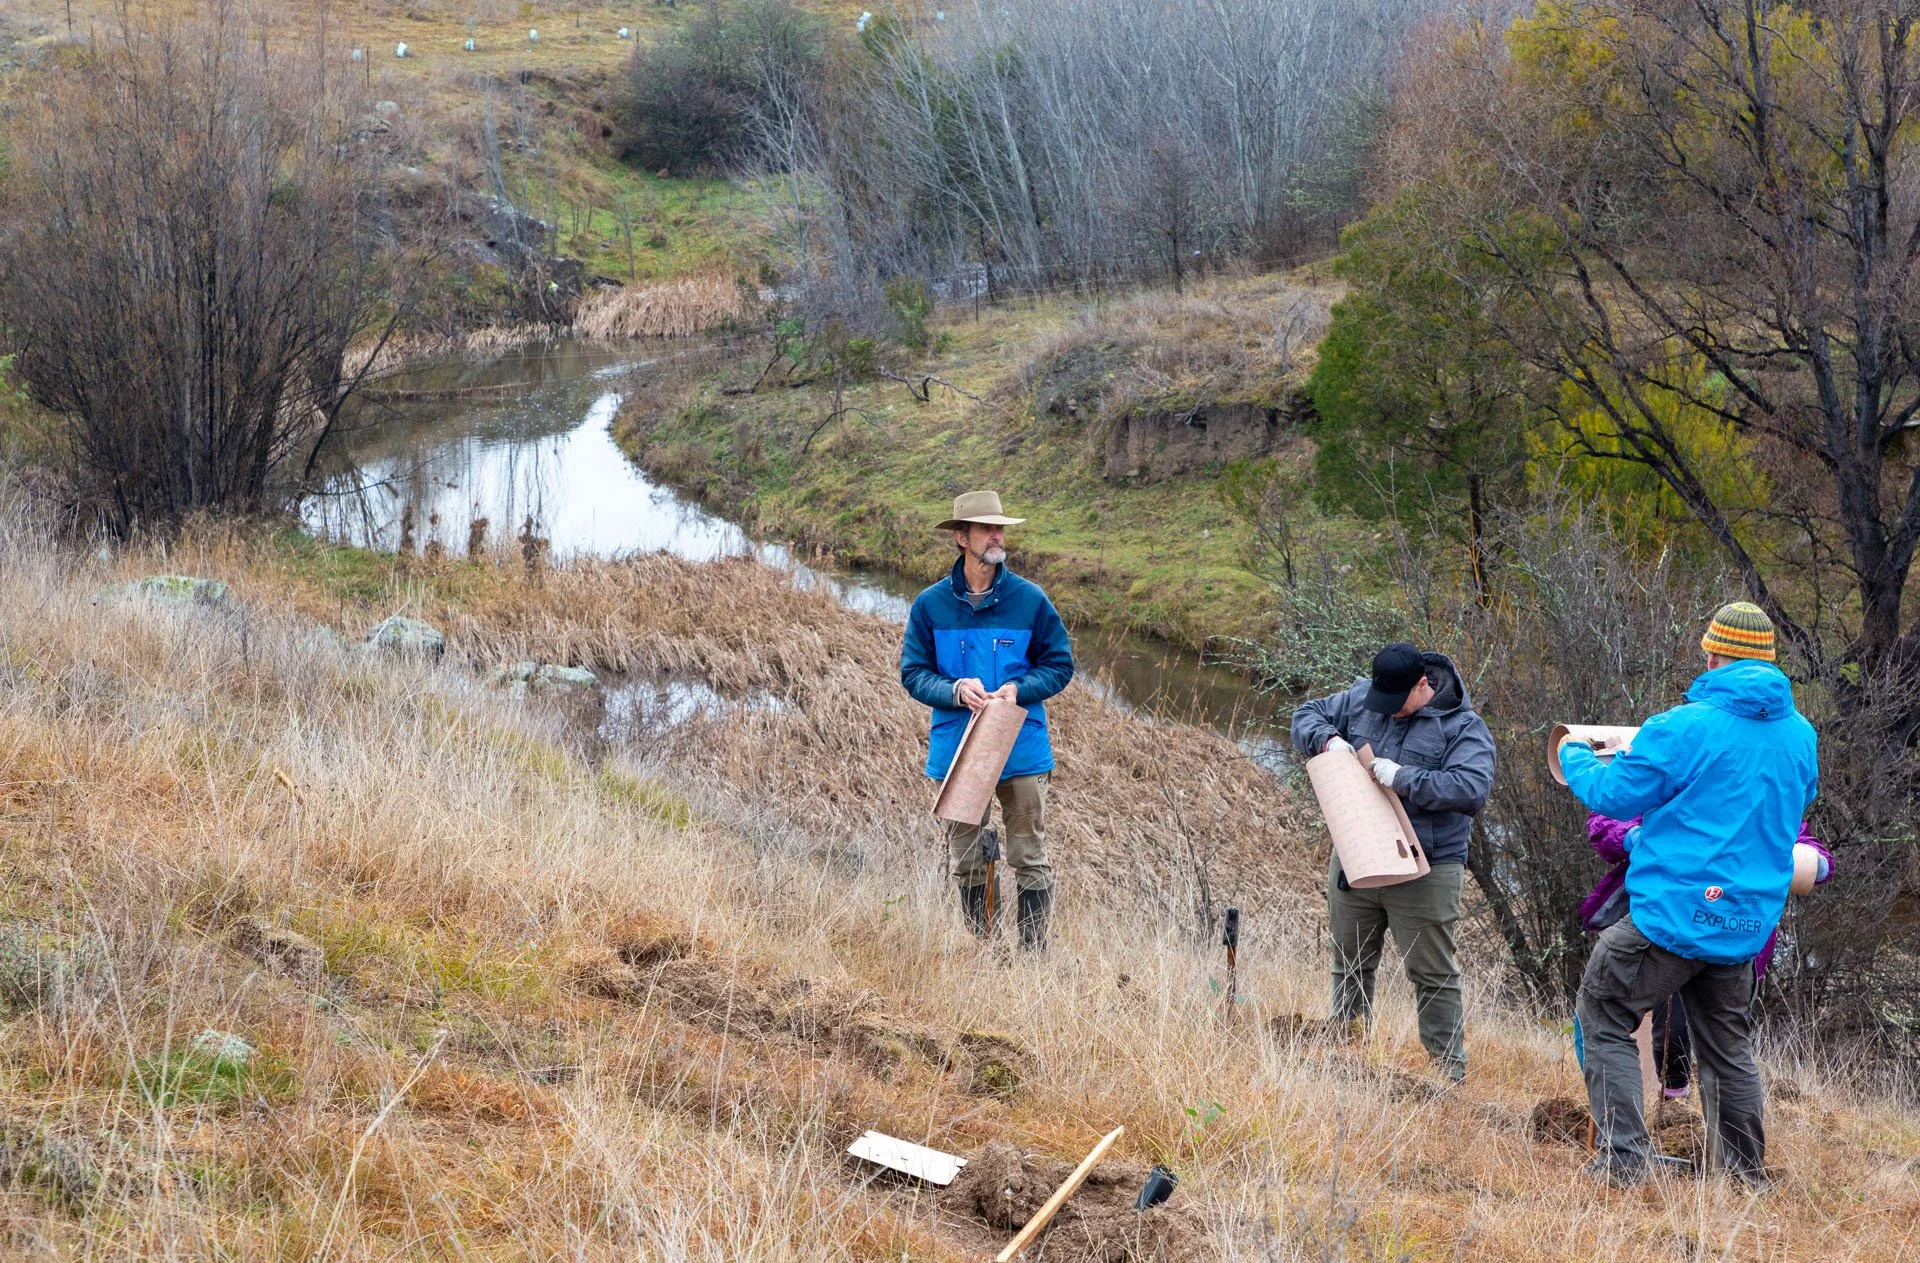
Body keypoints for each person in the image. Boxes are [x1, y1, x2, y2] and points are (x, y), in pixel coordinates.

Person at [1560, 601, 1818, 1188]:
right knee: (1728, 1046)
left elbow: (1613, 795)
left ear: (1713, 654)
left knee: (1603, 1014)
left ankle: (1624, 1162)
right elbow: (1791, 804)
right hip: (1747, 925)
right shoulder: (1801, 736)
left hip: (1672, 916)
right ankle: (1745, 1175)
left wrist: (1575, 755)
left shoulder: (1682, 726)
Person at [1291, 642, 1496, 1083]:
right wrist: (1329, 742)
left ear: (1424, 684)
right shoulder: (1365, 697)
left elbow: (1471, 790)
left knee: (1432, 973)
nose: (1387, 711)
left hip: (1427, 868)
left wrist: (1403, 777)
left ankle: (1448, 1076)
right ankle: (1347, 1054)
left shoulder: (1463, 727)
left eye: (1397, 703)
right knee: (1349, 960)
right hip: (1357, 853)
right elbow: (1306, 714)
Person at [900, 491, 1074, 950]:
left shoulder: (1031, 600)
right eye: (986, 529)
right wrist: (954, 690)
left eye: (1000, 528)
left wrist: (1021, 689)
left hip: (1022, 748)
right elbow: (913, 674)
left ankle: (1032, 962)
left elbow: (1060, 666)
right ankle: (984, 953)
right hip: (958, 749)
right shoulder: (929, 605)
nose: (997, 536)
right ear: (962, 538)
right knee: (968, 861)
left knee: (1029, 857)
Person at [1580, 813, 1832, 1100]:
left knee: (1727, 1050)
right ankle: (1675, 1103)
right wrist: (1644, 839)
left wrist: (1793, 858)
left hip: (1734, 940)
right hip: (1674, 928)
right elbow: (1608, 820)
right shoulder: (1675, 778)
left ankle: (1725, 1138)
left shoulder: (1762, 794)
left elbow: (1816, 859)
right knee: (1670, 1031)